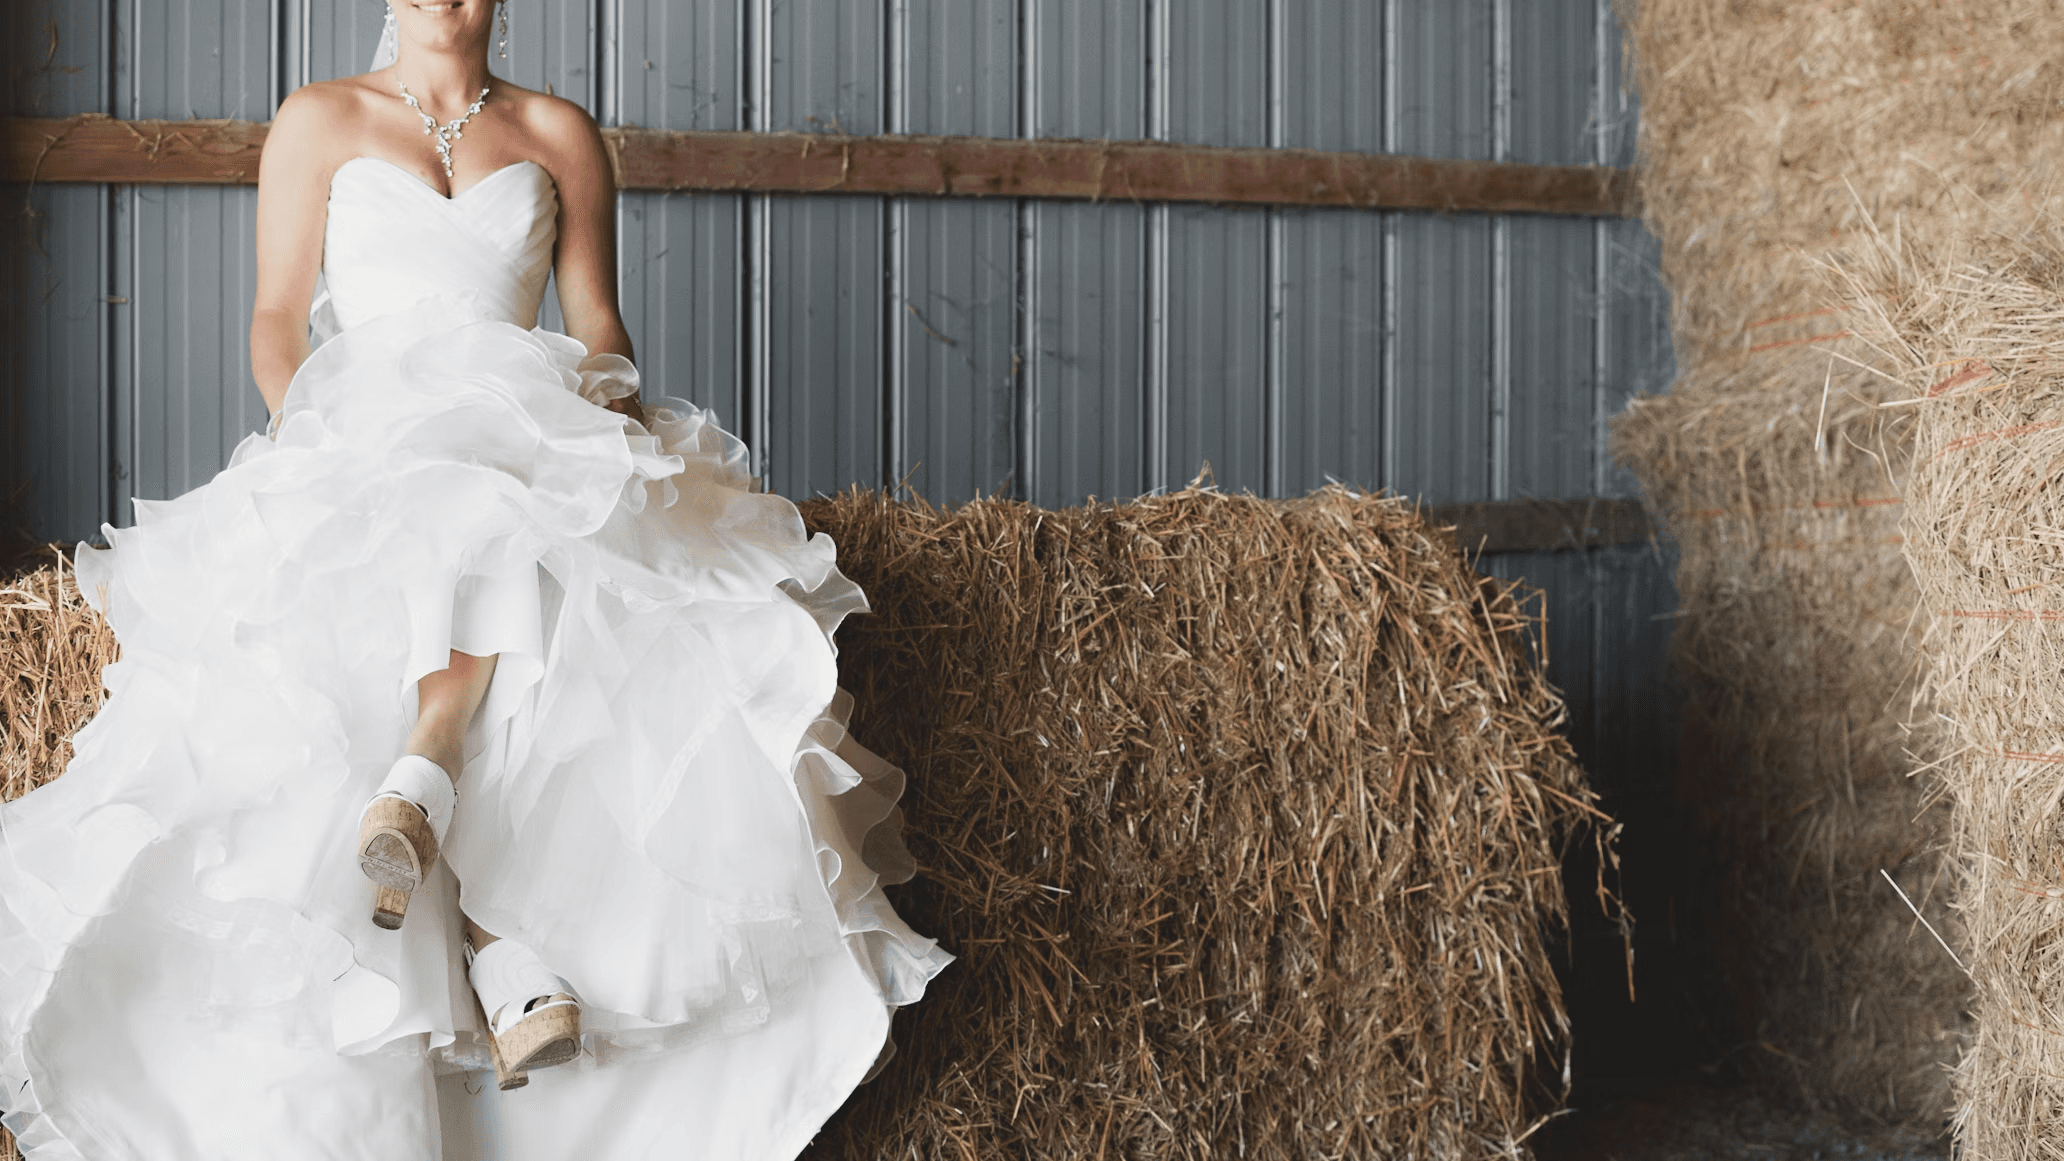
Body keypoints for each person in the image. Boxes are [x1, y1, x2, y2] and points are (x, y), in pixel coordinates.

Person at [0, 1, 950, 1156]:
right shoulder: (319, 120)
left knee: (518, 508)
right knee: (449, 502)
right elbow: (275, 322)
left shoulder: (559, 132)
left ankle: (435, 773)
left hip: (526, 437)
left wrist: (594, 421)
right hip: (364, 436)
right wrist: (332, 438)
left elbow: (598, 326)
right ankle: (496, 933)